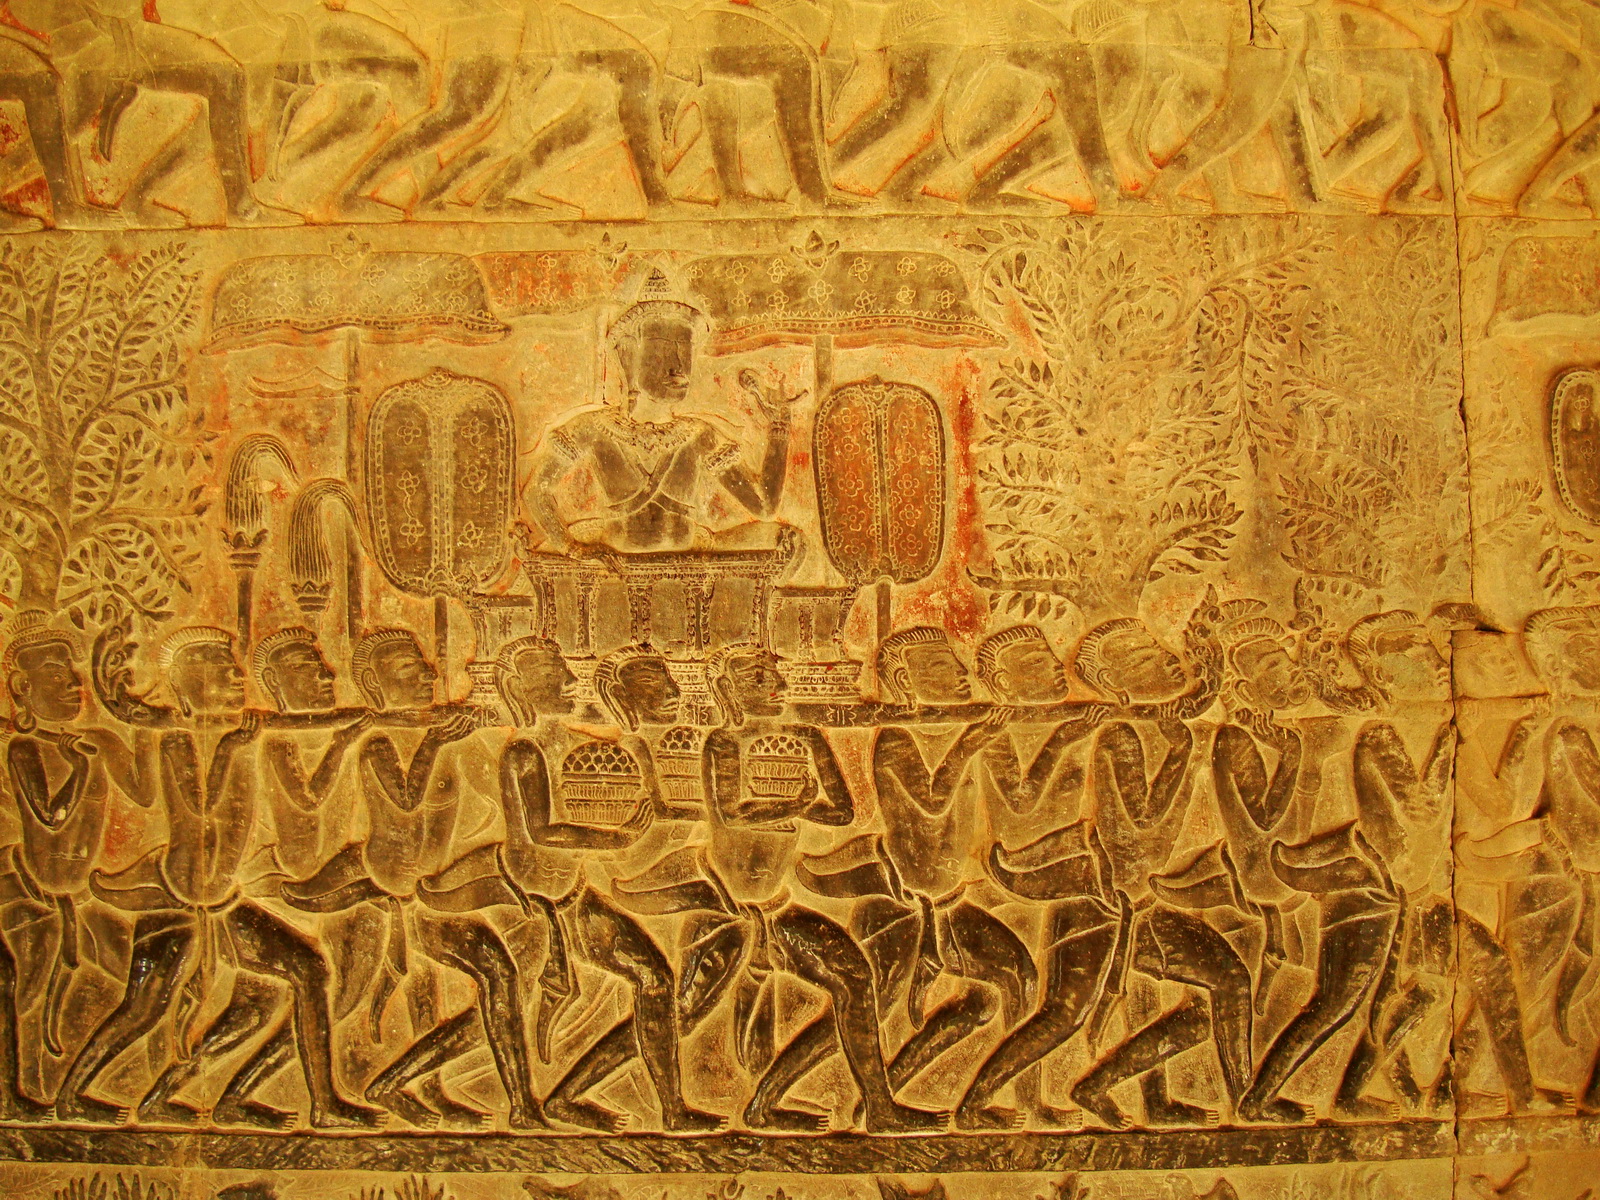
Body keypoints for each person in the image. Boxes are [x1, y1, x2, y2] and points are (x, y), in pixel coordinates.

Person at [61, 618, 381, 1129]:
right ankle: (70, 1093)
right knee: (144, 1008)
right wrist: (230, 748)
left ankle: (322, 1103)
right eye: (223, 670)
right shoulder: (176, 741)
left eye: (235, 669)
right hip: (181, 902)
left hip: (225, 902)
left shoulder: (245, 735)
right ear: (189, 685)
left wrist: (346, 736)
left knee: (307, 970)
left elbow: (302, 787)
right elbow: (202, 816)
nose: (236, 677)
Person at [527, 270, 800, 556]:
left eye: (686, 351)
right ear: (629, 355)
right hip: (617, 567)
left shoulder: (697, 436)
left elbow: (764, 506)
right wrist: (571, 548)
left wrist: (779, 426)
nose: (678, 366)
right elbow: (537, 491)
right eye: (662, 349)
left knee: (787, 540)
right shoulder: (595, 429)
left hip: (686, 567)